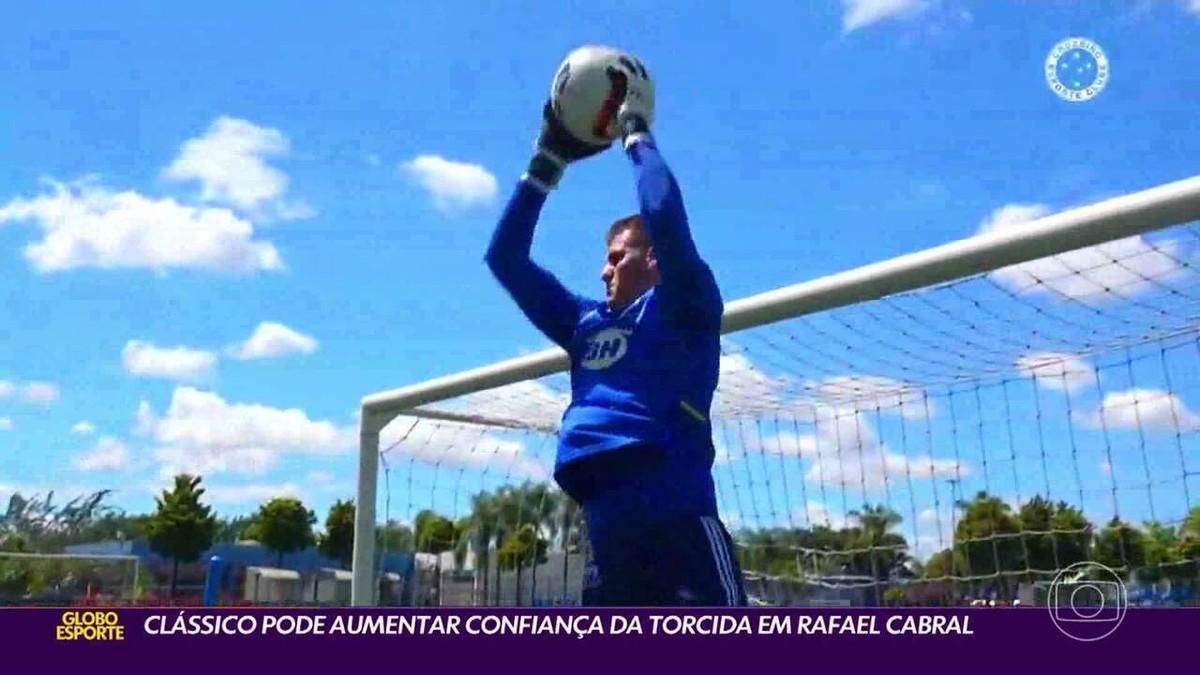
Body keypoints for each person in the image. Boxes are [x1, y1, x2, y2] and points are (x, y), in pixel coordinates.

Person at [484, 64, 747, 607]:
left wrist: (635, 132)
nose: (604, 271)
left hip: (678, 525)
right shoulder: (583, 324)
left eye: (616, 258)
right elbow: (505, 258)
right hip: (607, 535)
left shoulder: (685, 303)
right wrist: (547, 161)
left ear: (651, 258)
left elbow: (664, 217)